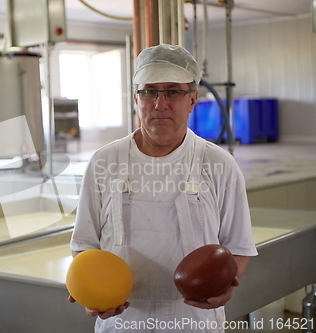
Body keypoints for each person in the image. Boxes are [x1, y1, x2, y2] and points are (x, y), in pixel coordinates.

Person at [68, 44, 258, 333]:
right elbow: (84, 244)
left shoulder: (219, 164)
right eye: (149, 91)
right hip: (123, 321)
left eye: (173, 91)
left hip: (193, 320)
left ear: (192, 98)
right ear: (135, 97)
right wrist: (90, 290)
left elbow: (238, 248)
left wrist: (221, 285)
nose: (160, 103)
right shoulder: (104, 162)